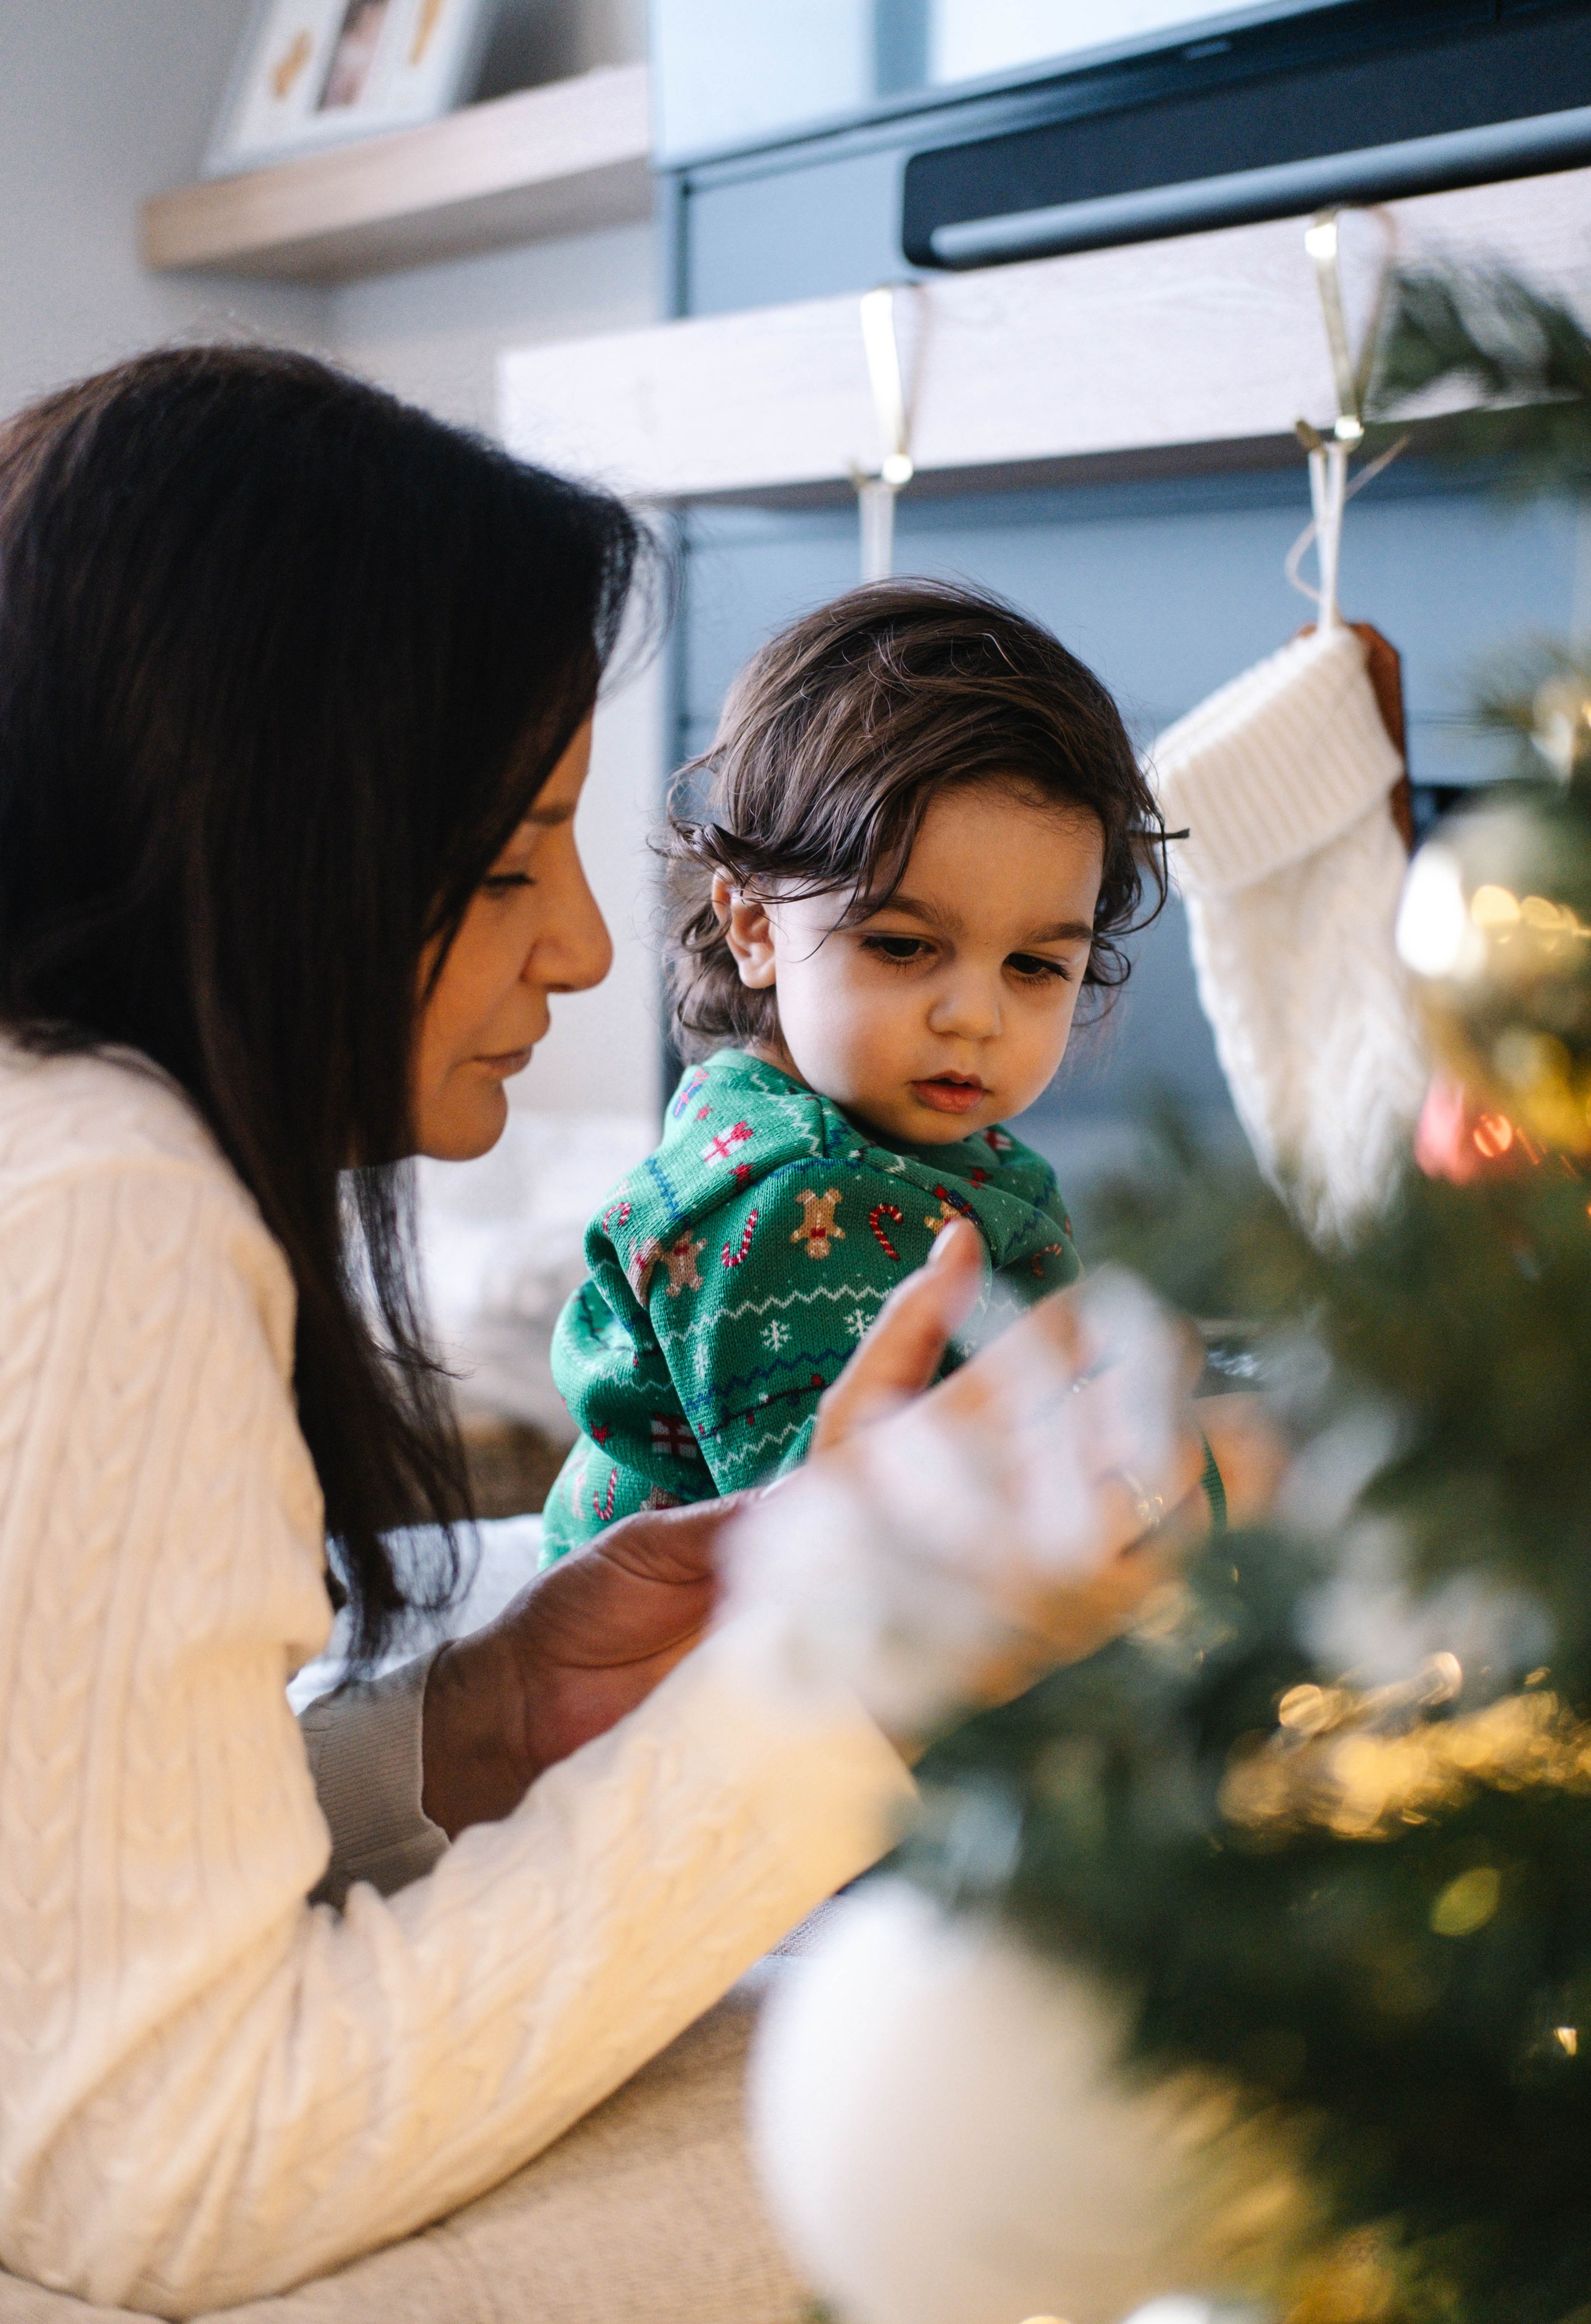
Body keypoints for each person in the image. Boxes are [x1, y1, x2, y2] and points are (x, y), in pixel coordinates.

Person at [0, 346, 1209, 2317]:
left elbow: (59, 1878)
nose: (577, 945)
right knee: (1095, 2099)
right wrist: (851, 1665)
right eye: (503, 859)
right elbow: (156, 2167)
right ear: (256, 847)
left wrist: (475, 1726)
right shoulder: (106, 1208)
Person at [541, 583, 1204, 1558]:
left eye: (1034, 966)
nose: (973, 1016)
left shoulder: (891, 1142)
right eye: (901, 945)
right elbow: (847, 1578)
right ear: (755, 926)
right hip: (711, 1688)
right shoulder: (792, 1200)